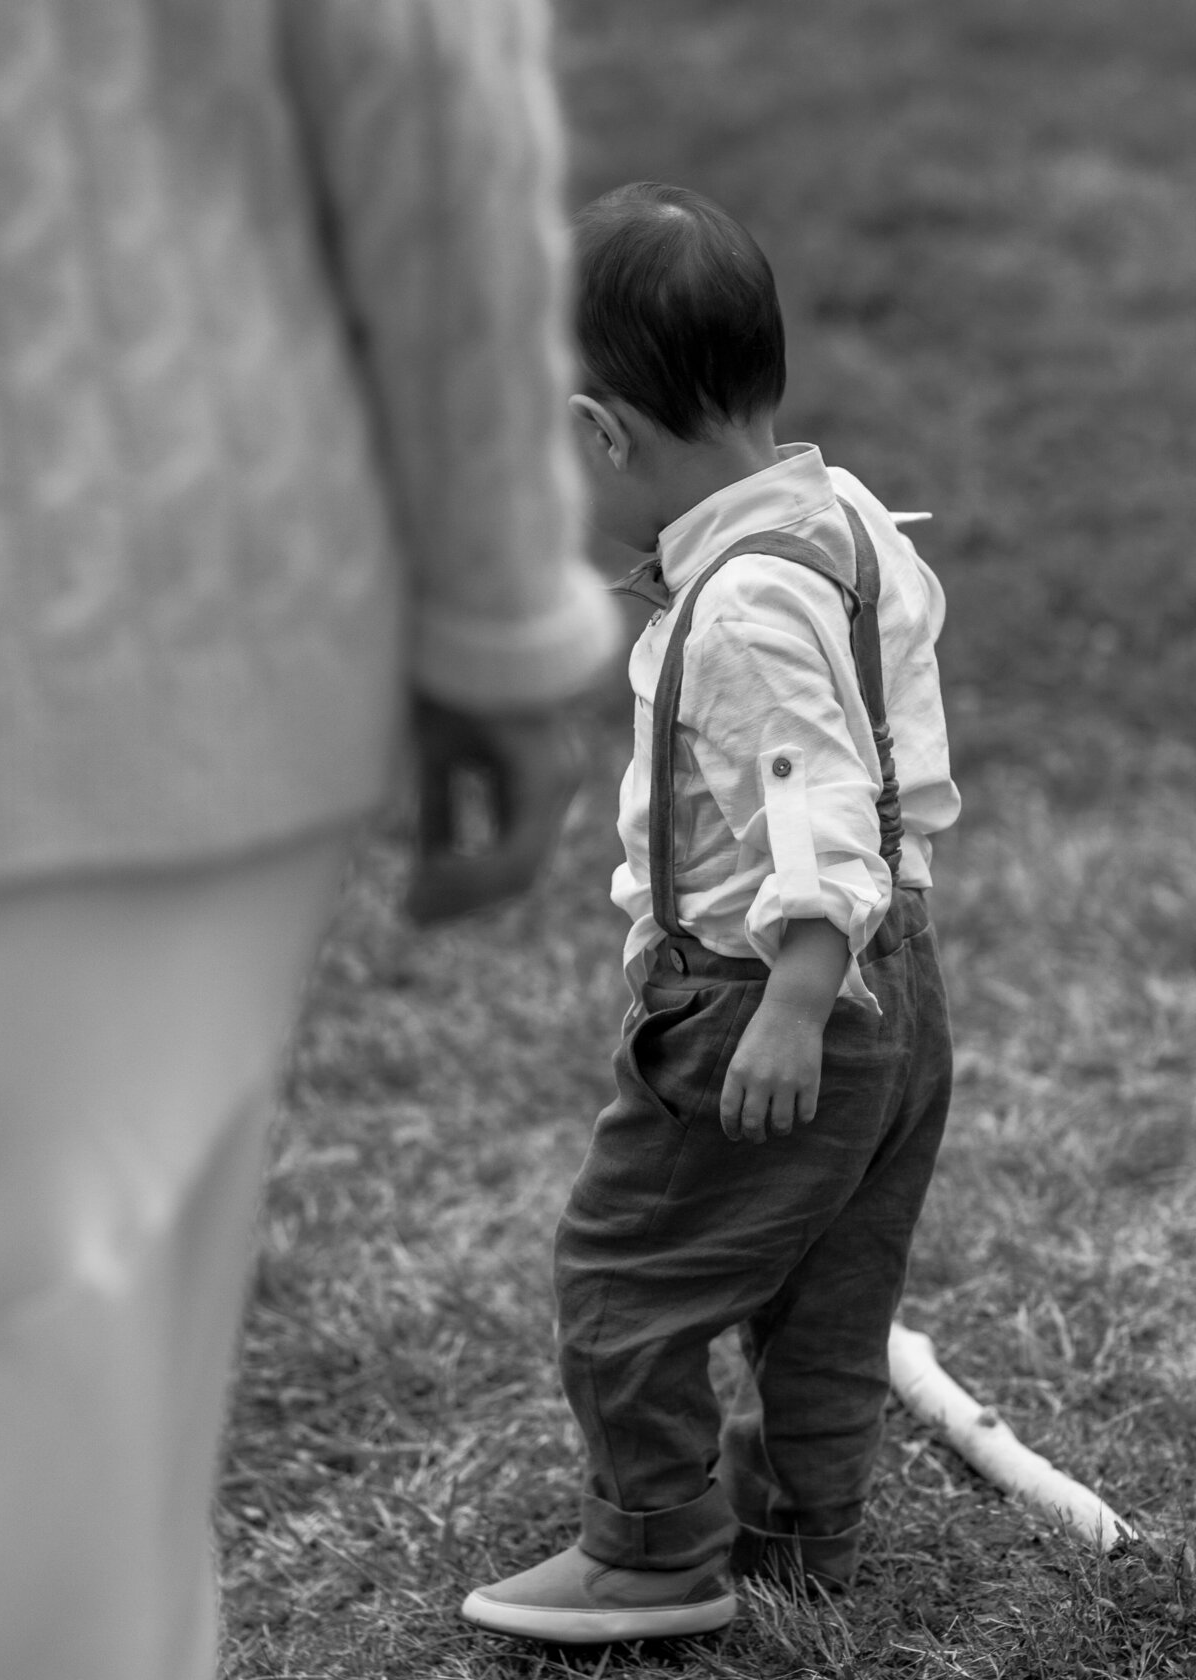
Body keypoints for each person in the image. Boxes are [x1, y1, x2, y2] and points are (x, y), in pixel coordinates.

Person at [0, 4, 619, 1679]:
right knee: (73, 1399)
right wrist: (493, 616)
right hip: (147, 621)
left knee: (72, 1404)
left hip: (120, 635)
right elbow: (428, 98)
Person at [462, 181, 961, 1643]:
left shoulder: (739, 607)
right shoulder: (841, 516)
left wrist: (794, 999)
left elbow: (809, 793)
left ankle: (653, 1550)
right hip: (902, 983)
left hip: (769, 986)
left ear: (599, 434)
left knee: (625, 1272)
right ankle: (801, 1529)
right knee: (823, 1285)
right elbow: (886, 737)